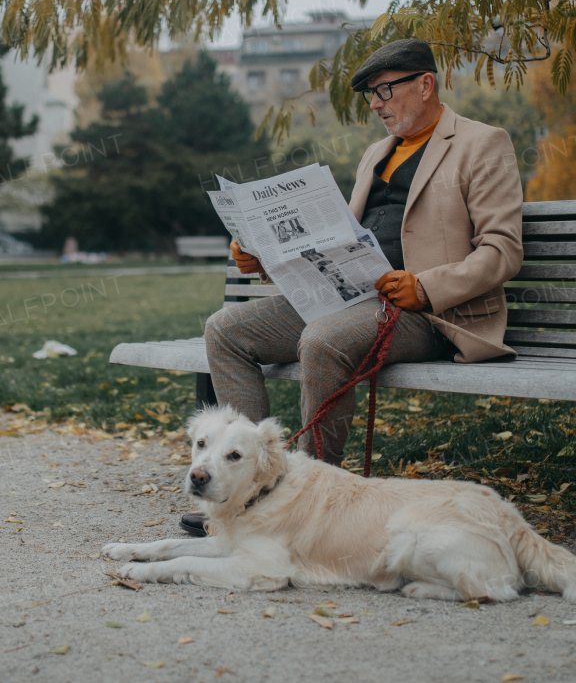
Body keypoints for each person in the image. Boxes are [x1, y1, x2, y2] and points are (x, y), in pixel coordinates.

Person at [184, 39, 523, 536]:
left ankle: (311, 501)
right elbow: (337, 244)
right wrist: (263, 259)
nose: (376, 104)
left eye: (385, 90)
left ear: (425, 84)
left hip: (427, 314)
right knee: (225, 330)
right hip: (349, 298)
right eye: (370, 95)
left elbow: (502, 251)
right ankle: (245, 490)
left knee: (322, 341)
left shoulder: (481, 143)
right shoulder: (373, 156)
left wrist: (424, 287)